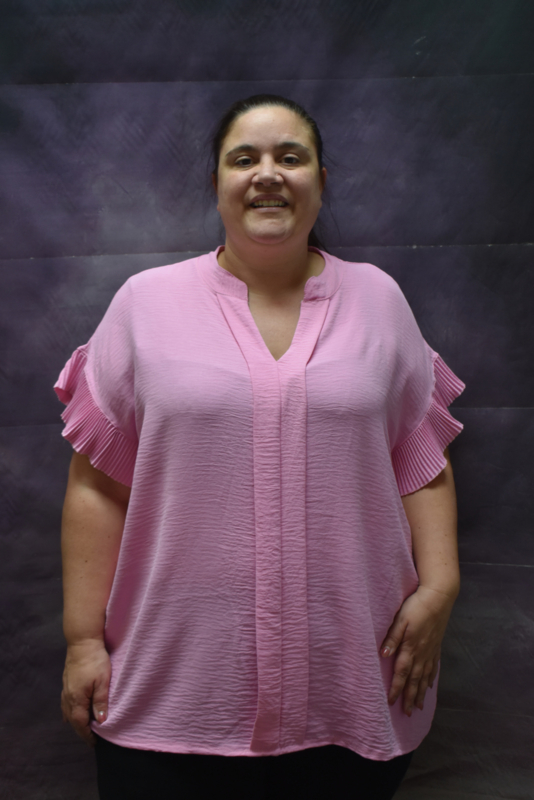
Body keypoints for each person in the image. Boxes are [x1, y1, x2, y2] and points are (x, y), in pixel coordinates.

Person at [55, 94, 464, 800]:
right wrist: (84, 641)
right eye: (244, 159)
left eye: (290, 157)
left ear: (321, 182)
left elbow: (420, 460)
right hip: (170, 690)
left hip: (355, 680)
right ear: (216, 183)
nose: (267, 174)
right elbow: (96, 488)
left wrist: (441, 588)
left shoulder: (379, 300)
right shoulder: (144, 304)